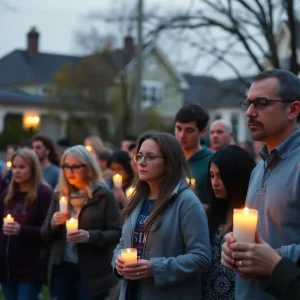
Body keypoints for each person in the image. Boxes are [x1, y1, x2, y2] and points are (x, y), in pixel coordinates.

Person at [221, 69, 300, 300]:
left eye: (262, 103)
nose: (249, 113)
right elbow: (258, 233)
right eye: (248, 103)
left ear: (293, 109)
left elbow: (267, 248)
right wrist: (233, 245)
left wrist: (272, 257)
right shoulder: (258, 168)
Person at [112, 131, 211, 300]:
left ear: (168, 163)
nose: (141, 163)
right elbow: (123, 243)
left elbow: (201, 258)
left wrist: (156, 268)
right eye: (140, 156)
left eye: (150, 157)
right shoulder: (137, 198)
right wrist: (118, 262)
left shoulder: (187, 202)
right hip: (131, 292)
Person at [41, 145, 121, 300]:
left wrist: (89, 236)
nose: (69, 171)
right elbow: (44, 234)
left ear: (88, 168)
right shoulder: (60, 195)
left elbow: (117, 233)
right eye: (66, 166)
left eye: (75, 166)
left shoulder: (103, 195)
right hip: (62, 267)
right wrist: (52, 224)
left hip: (91, 271)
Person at [203, 145, 255, 300]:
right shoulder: (212, 214)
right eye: (212, 176)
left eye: (221, 176)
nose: (215, 183)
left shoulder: (251, 216)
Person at [0, 148, 53, 300]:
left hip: (30, 266)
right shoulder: (7, 195)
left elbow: (47, 231)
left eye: (22, 167)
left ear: (33, 168)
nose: (16, 171)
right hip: (6, 266)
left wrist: (21, 230)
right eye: (14, 167)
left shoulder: (44, 194)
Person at [174, 104, 214, 206]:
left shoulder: (212, 160)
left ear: (202, 132)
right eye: (179, 129)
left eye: (189, 130)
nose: (182, 135)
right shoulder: (169, 159)